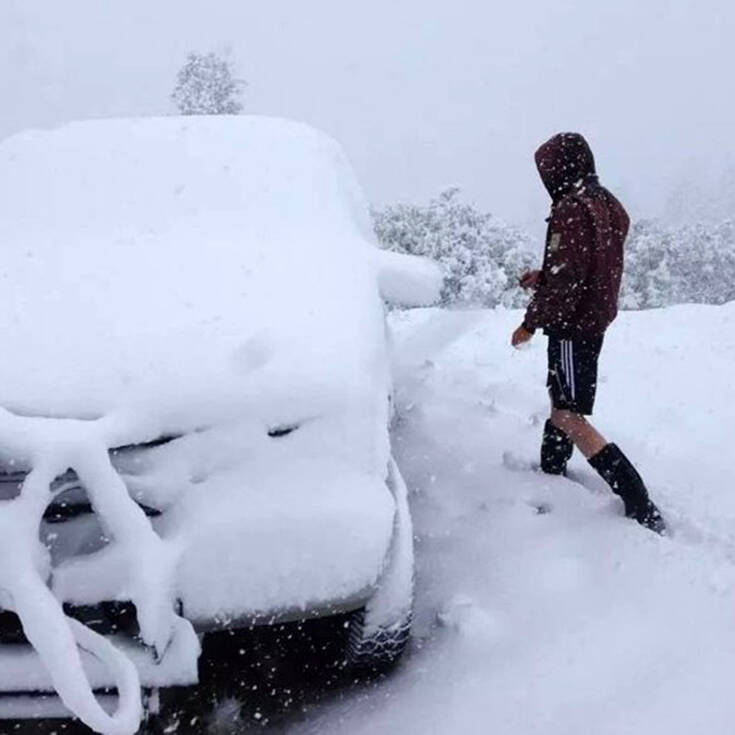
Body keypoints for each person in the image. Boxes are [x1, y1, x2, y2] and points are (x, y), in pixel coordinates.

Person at [511, 132, 665, 534]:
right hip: (593, 320)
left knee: (569, 414)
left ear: (561, 168)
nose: (545, 178)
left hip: (572, 324)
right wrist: (545, 276)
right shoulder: (608, 204)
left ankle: (636, 498)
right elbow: (590, 265)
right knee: (562, 395)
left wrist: (531, 322)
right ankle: (551, 469)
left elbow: (569, 279)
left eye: (547, 170)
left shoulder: (571, 209)